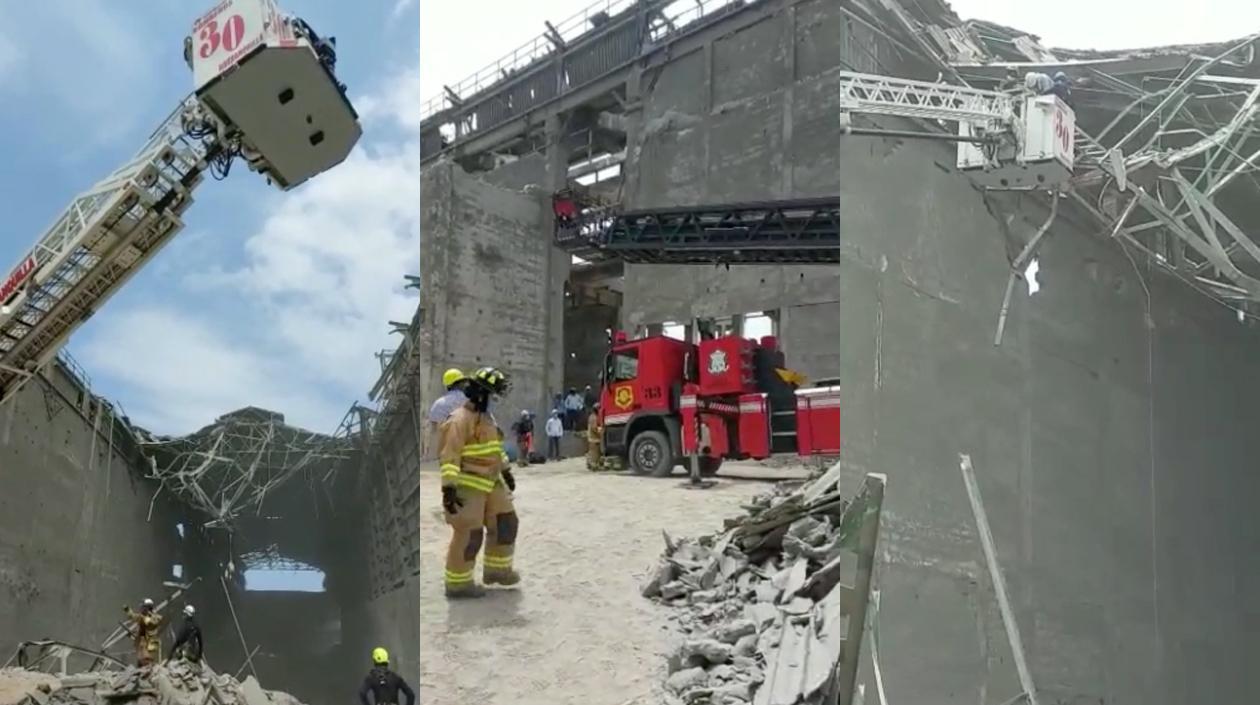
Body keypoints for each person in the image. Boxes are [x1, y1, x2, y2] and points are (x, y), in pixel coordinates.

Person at [437, 366, 520, 598]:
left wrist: (506, 471)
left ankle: (497, 571)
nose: (494, 400)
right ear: (481, 394)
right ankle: (458, 583)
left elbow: (495, 448)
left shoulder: (487, 419)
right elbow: (450, 455)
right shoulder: (458, 420)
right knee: (470, 533)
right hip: (468, 484)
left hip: (492, 482)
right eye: (492, 395)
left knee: (506, 522)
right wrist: (449, 488)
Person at [425, 368, 468, 456]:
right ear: (460, 384)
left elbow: (434, 430)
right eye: (463, 382)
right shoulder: (471, 400)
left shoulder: (438, 404)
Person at [123, 598, 162, 666]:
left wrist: (128, 611)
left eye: (143, 607)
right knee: (141, 661)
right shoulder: (145, 617)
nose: (141, 608)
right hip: (145, 644)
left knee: (147, 661)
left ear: (147, 608)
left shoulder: (152, 618)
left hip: (149, 645)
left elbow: (134, 617)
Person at [585, 403, 603, 471]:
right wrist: (600, 431)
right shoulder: (594, 417)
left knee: (593, 451)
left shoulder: (592, 416)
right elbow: (594, 428)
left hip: (593, 437)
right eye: (599, 408)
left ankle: (590, 463)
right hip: (594, 438)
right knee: (594, 452)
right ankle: (593, 465)